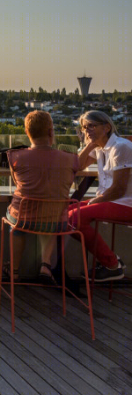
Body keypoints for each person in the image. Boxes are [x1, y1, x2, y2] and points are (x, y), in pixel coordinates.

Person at [5, 110, 79, 284]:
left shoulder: (15, 156)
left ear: (27, 133)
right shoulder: (70, 159)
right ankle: (45, 265)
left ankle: (14, 271)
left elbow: (17, 182)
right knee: (51, 215)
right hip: (57, 221)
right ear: (51, 132)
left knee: (15, 223)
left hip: (23, 219)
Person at [68, 110, 132, 281]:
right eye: (84, 127)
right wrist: (90, 144)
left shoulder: (121, 147)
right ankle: (112, 261)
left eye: (92, 126)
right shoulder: (101, 147)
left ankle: (111, 265)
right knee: (64, 215)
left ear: (107, 127)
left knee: (75, 217)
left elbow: (119, 189)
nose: (87, 130)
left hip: (126, 203)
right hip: (112, 200)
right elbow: (79, 165)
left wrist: (95, 201)